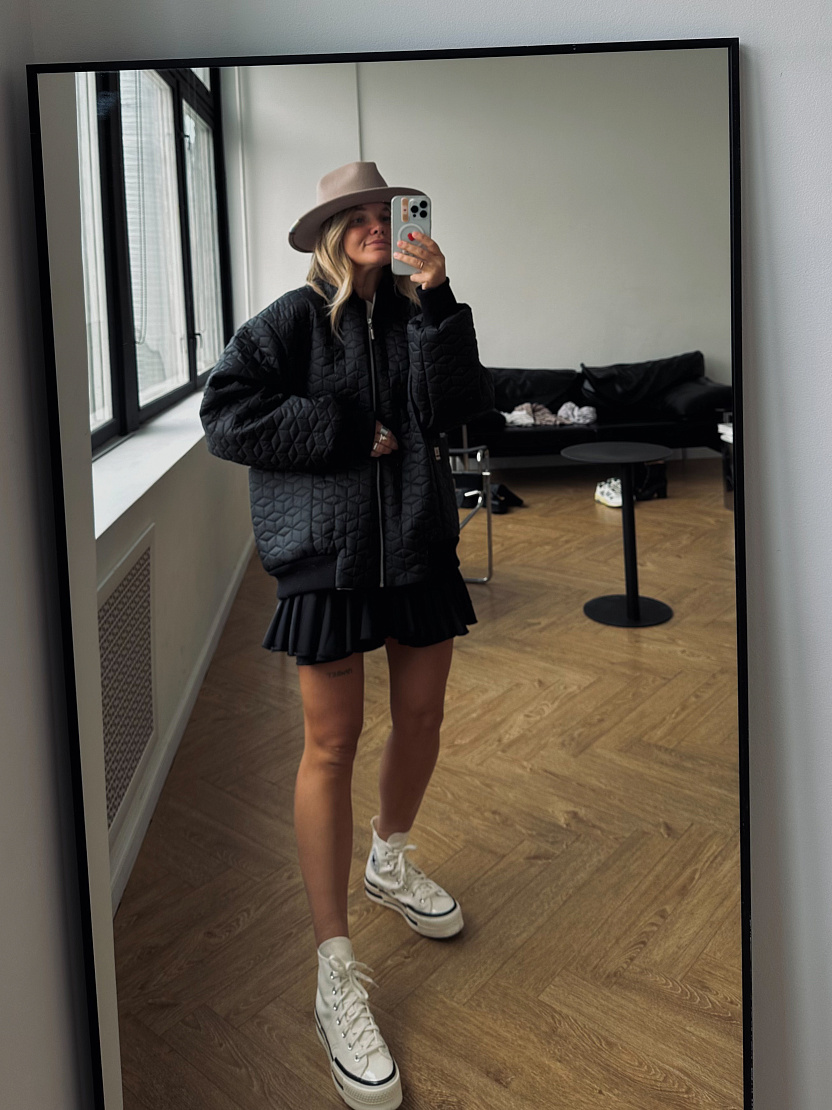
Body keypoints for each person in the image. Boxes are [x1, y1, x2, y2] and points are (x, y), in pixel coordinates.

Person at [200, 161, 494, 1110]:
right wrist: (339, 428)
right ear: (331, 231)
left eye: (388, 211)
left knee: (423, 718)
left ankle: (389, 858)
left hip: (416, 543)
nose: (376, 223)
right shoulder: (294, 319)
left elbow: (458, 410)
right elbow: (225, 414)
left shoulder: (418, 313)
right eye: (358, 214)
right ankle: (334, 969)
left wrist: (439, 296)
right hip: (327, 553)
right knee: (330, 745)